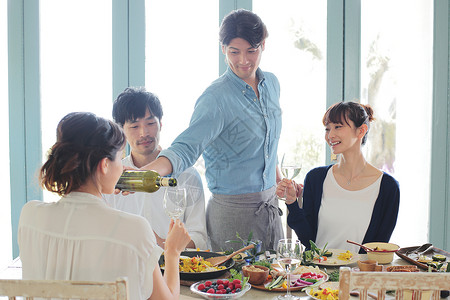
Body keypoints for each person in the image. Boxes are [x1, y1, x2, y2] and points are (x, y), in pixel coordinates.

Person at [137, 9, 283, 251]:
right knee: (236, 286)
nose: (243, 60)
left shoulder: (272, 84)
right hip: (232, 215)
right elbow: (185, 148)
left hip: (270, 210)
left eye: (251, 50)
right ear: (223, 48)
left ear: (263, 45)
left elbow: (269, 142)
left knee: (276, 286)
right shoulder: (215, 97)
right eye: (234, 52)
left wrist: (279, 181)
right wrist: (145, 175)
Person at [18, 112, 191, 300]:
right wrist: (172, 252)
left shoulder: (29, 215)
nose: (123, 167)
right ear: (104, 165)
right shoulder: (135, 229)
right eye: (119, 157)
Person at [277, 101, 400, 254]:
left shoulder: (387, 187)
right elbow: (308, 238)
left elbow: (378, 248)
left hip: (359, 275)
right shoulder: (316, 178)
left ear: (361, 131)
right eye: (327, 129)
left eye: (338, 127)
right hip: (318, 274)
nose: (330, 135)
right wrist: (291, 202)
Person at [105, 87, 207, 250]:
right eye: (134, 126)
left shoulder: (187, 175)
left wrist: (163, 244)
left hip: (175, 268)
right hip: (125, 267)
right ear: (121, 130)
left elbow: (200, 237)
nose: (144, 133)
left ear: (160, 124)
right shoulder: (114, 177)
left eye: (150, 123)